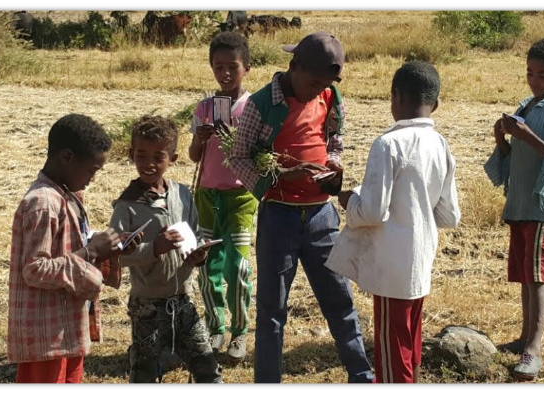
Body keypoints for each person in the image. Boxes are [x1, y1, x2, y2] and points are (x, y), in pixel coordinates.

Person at [228, 31, 374, 383]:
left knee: (339, 300)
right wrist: (277, 176)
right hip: (279, 216)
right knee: (272, 310)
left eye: (323, 84)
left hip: (322, 215)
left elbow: (335, 138)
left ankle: (362, 375)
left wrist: (334, 162)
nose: (316, 90)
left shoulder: (329, 95)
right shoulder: (262, 104)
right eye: (312, 83)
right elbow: (239, 156)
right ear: (293, 67)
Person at [326, 60, 461, 383]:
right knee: (409, 341)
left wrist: (349, 200)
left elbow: (373, 211)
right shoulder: (440, 144)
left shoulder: (388, 144)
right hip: (420, 257)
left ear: (395, 97)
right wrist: (415, 208)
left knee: (391, 351)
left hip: (391, 263)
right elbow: (449, 214)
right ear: (436, 104)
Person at [8, 113, 140, 383]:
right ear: (67, 157)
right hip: (46, 335)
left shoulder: (67, 196)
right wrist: (91, 251)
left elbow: (70, 250)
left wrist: (108, 249)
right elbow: (35, 269)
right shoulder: (43, 203)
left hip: (65, 329)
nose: (93, 178)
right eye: (91, 169)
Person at [483, 38, 544, 381]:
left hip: (542, 204)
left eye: (542, 75)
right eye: (529, 72)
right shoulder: (526, 106)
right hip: (521, 202)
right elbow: (513, 158)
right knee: (525, 273)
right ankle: (524, 338)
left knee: (537, 274)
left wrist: (524, 135)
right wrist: (502, 139)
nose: (534, 80)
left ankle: (534, 348)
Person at [109, 115, 222, 383]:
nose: (149, 164)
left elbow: (193, 235)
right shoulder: (126, 205)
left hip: (183, 299)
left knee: (206, 365)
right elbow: (117, 256)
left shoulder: (182, 194)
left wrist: (198, 256)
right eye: (141, 155)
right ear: (130, 155)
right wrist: (154, 248)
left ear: (172, 158)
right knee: (145, 371)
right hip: (146, 305)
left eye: (158, 157)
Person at [188, 32, 258, 361]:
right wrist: (201, 138)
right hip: (207, 195)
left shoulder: (253, 108)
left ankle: (240, 333)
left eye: (232, 66)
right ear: (211, 68)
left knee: (239, 268)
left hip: (241, 196)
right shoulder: (204, 107)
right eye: (219, 67)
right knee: (208, 267)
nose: (225, 74)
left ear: (247, 67)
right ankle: (215, 328)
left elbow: (261, 154)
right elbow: (193, 156)